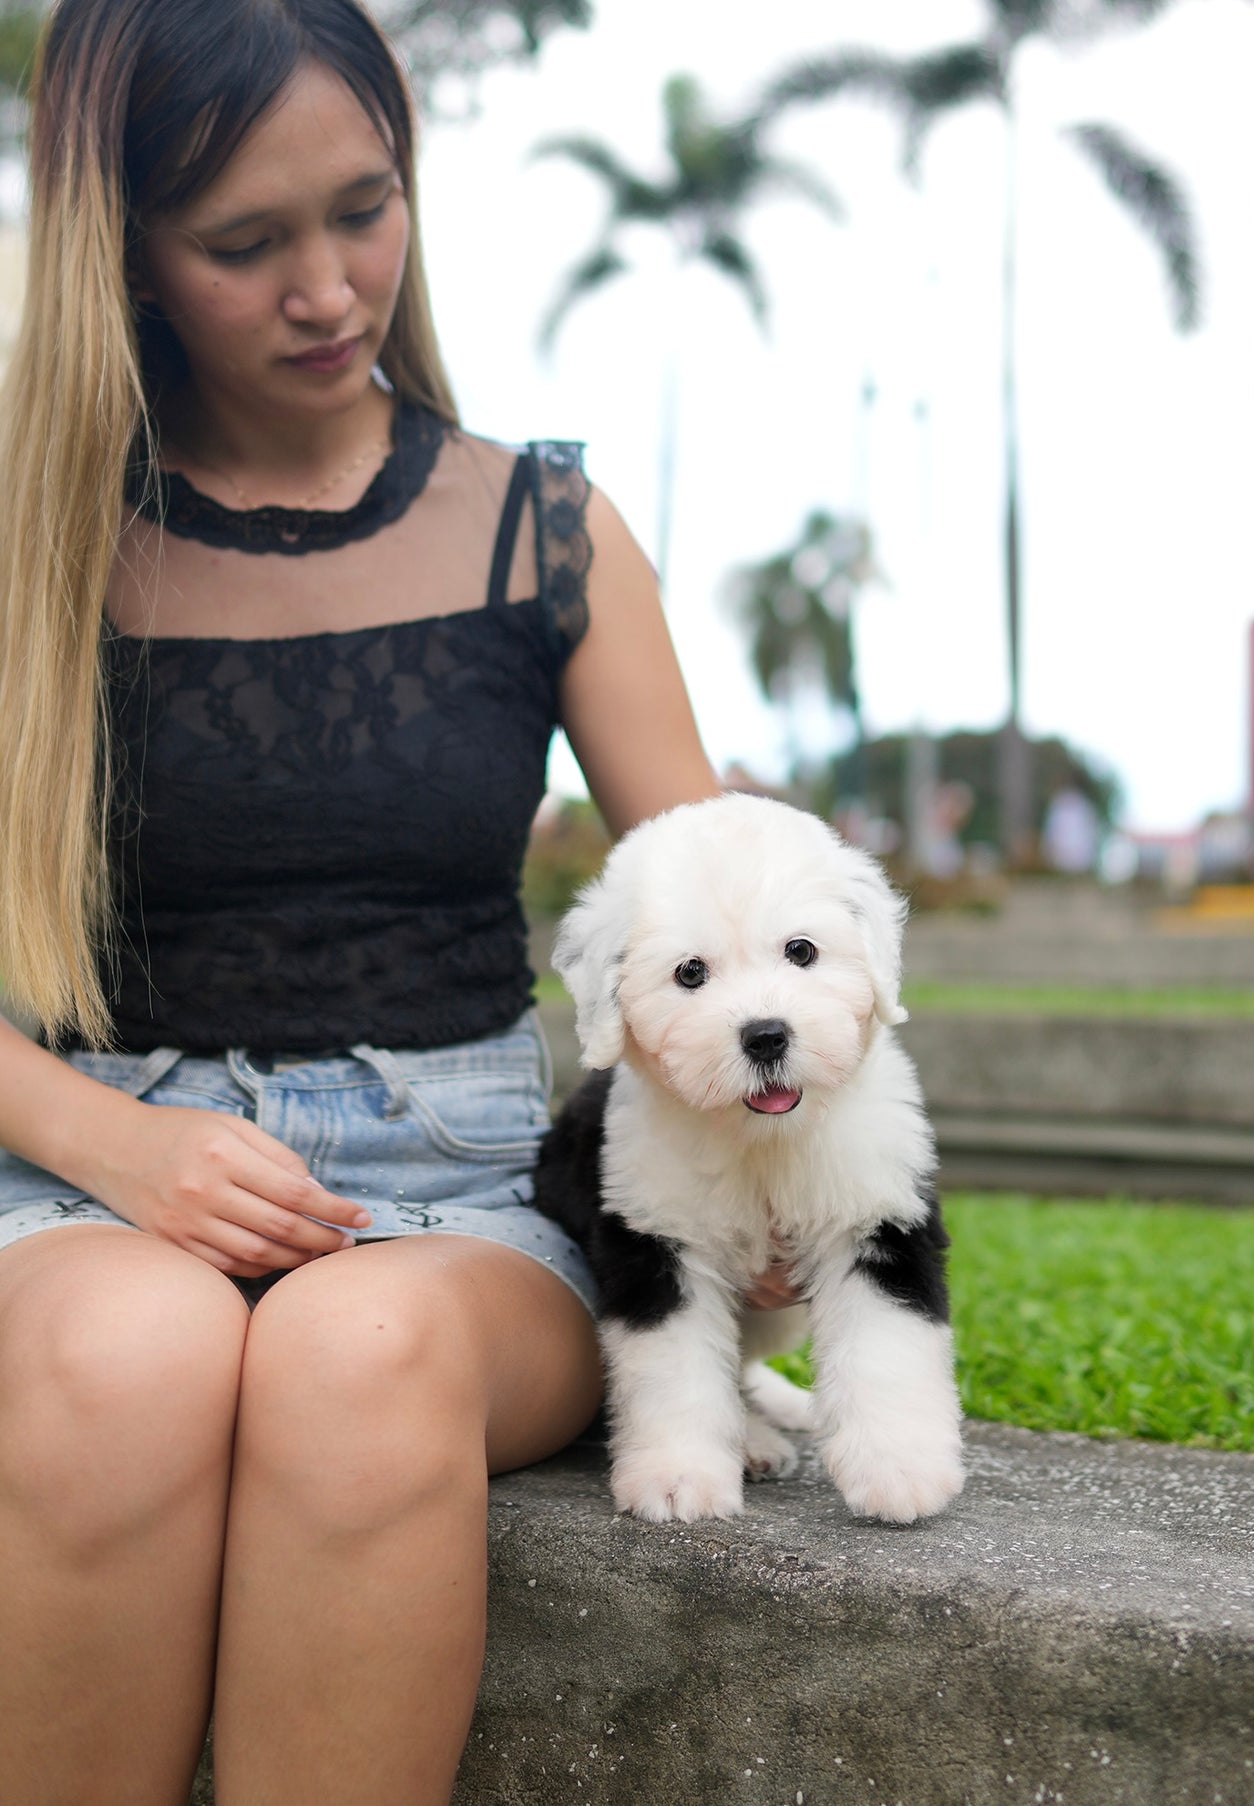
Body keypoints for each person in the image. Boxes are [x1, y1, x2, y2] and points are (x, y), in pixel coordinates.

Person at [0, 3, 777, 1801]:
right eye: (245, 244)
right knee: (131, 1355)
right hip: (84, 1170)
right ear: (122, 253)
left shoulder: (546, 533)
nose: (329, 288)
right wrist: (120, 1150)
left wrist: (771, 1195)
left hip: (464, 1198)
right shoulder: (35, 547)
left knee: (357, 1358)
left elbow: (726, 928)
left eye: (364, 207)